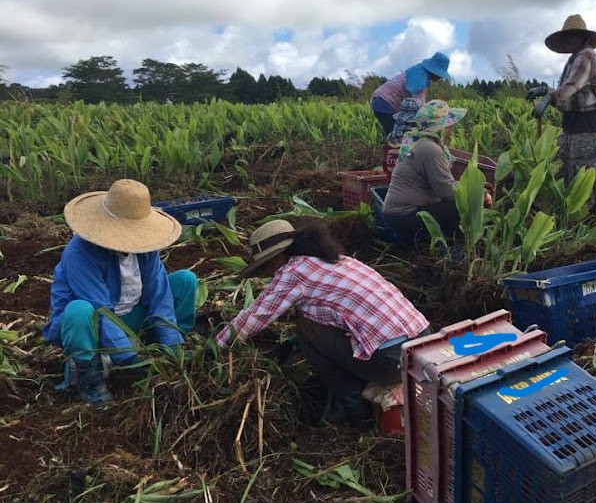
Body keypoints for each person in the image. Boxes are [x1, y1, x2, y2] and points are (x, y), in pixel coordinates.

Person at [214, 219, 431, 424]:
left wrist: (216, 347)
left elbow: (254, 317)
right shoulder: (338, 260)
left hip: (391, 360)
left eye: (264, 267)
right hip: (424, 344)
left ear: (277, 258)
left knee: (306, 329)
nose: (266, 274)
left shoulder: (293, 272)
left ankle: (351, 405)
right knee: (311, 326)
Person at [43, 179, 198, 408]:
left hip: (130, 313)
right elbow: (101, 310)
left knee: (185, 281)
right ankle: (90, 376)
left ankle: (165, 344)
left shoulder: (146, 250)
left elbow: (159, 295)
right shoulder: (80, 253)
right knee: (78, 310)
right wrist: (130, 360)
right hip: (90, 327)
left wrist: (172, 350)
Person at [532, 14, 596, 186]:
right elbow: (566, 93)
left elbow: (570, 88)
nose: (569, 39)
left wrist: (548, 97)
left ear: (583, 37)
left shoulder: (587, 55)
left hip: (586, 124)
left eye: (573, 35)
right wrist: (545, 91)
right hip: (572, 124)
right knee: (561, 168)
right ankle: (563, 209)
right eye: (567, 36)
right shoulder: (573, 59)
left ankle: (584, 212)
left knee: (581, 177)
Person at [382, 99, 466, 239]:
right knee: (461, 205)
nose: (453, 127)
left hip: (395, 215)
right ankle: (450, 247)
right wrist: (477, 192)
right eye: (450, 124)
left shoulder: (416, 141)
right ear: (441, 127)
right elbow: (446, 192)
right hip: (404, 216)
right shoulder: (431, 149)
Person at [370, 52, 451, 137]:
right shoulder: (420, 78)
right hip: (384, 102)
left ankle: (391, 146)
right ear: (434, 72)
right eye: (439, 75)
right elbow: (418, 105)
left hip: (380, 100)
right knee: (396, 133)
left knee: (394, 130)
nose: (440, 78)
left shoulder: (419, 70)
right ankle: (393, 148)